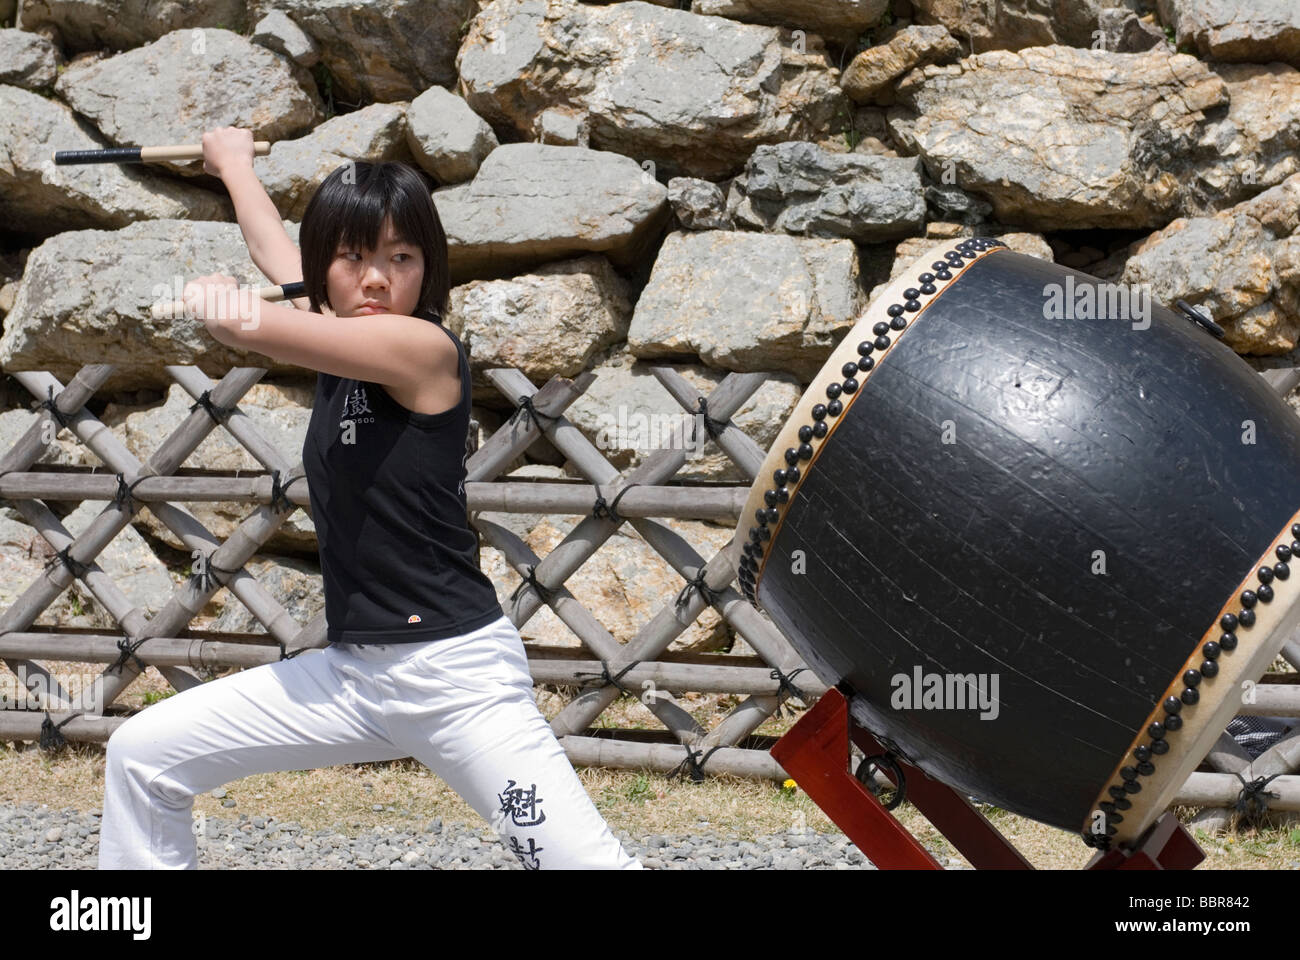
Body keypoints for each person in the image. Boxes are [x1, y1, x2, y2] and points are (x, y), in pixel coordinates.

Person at [97, 127, 641, 870]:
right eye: (353, 258)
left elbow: (249, 320)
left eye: (401, 258)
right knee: (141, 754)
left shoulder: (420, 349)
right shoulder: (339, 325)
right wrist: (233, 167)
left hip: (456, 679)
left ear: (428, 271)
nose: (376, 279)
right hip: (352, 676)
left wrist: (213, 304)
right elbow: (277, 255)